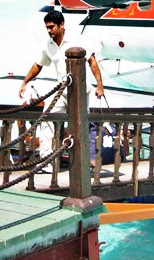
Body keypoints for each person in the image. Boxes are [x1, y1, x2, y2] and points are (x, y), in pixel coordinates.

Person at [19, 10, 104, 166]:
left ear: (61, 25)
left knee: (80, 125)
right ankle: (46, 161)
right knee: (47, 119)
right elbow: (38, 64)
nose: (49, 31)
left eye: (52, 27)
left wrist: (100, 85)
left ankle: (83, 162)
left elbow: (92, 61)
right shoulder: (49, 44)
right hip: (61, 90)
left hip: (80, 90)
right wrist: (25, 82)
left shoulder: (77, 40)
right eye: (47, 27)